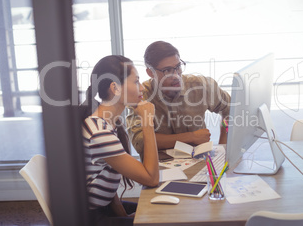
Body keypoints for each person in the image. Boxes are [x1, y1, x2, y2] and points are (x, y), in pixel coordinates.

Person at [80, 55, 159, 226]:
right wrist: (147, 122)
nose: (142, 89)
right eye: (136, 82)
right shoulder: (99, 132)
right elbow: (151, 178)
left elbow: (103, 177)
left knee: (157, 211)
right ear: (115, 88)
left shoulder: (105, 122)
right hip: (90, 217)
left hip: (102, 207)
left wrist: (122, 215)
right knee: (158, 219)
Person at [126, 41, 231, 159]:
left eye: (178, 67)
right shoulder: (141, 95)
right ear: (151, 72)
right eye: (167, 70)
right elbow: (140, 141)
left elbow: (232, 111)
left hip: (200, 164)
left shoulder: (200, 86)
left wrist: (223, 148)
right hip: (160, 169)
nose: (176, 75)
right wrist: (191, 137)